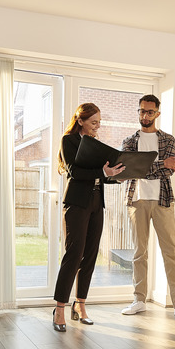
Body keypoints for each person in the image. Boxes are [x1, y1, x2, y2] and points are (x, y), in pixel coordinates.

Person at [120, 94, 175, 321]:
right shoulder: (129, 140)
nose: (144, 115)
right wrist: (156, 164)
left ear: (157, 113)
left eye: (149, 112)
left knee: (171, 252)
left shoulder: (168, 140)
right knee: (139, 253)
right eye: (141, 111)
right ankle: (139, 300)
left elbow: (170, 170)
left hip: (163, 200)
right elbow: (129, 170)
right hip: (136, 200)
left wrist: (143, 166)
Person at [52, 103, 126, 332]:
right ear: (81, 120)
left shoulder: (95, 145)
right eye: (94, 122)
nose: (97, 126)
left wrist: (115, 176)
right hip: (76, 203)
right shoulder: (69, 141)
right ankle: (60, 308)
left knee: (91, 255)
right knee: (74, 255)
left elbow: (99, 174)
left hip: (96, 204)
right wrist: (103, 173)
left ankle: (80, 305)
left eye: (99, 122)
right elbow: (75, 172)